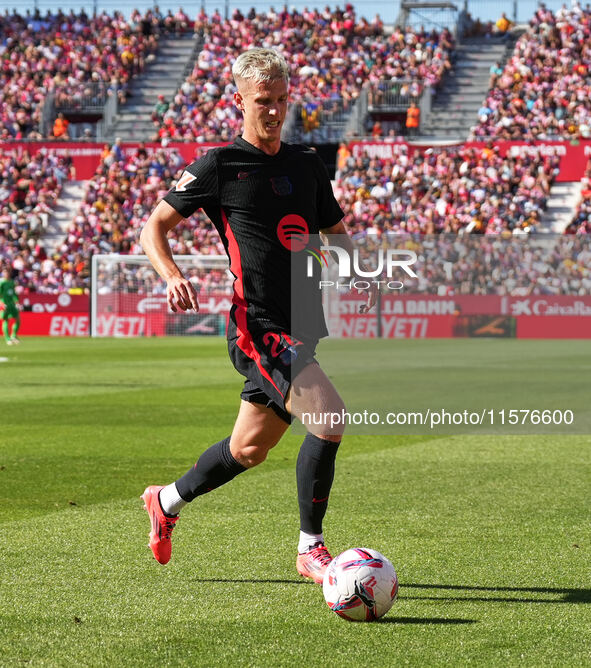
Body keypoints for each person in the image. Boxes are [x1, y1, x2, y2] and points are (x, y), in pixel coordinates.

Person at [139, 48, 376, 583]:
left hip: (304, 329)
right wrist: (172, 275)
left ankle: (166, 500)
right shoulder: (219, 165)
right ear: (240, 99)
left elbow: (338, 240)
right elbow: (153, 228)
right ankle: (310, 548)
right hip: (259, 327)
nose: (273, 111)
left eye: (281, 100)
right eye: (262, 101)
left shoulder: (309, 164)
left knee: (248, 449)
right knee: (330, 416)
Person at [0, 267, 21, 345]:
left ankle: (14, 336)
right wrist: (1, 304)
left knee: (17, 319)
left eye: (7, 272)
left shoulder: (12, 282)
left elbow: (14, 294)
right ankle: (7, 339)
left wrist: (17, 302)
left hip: (12, 304)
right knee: (5, 320)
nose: (6, 274)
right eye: (4, 272)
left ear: (10, 273)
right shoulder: (1, 283)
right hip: (4, 304)